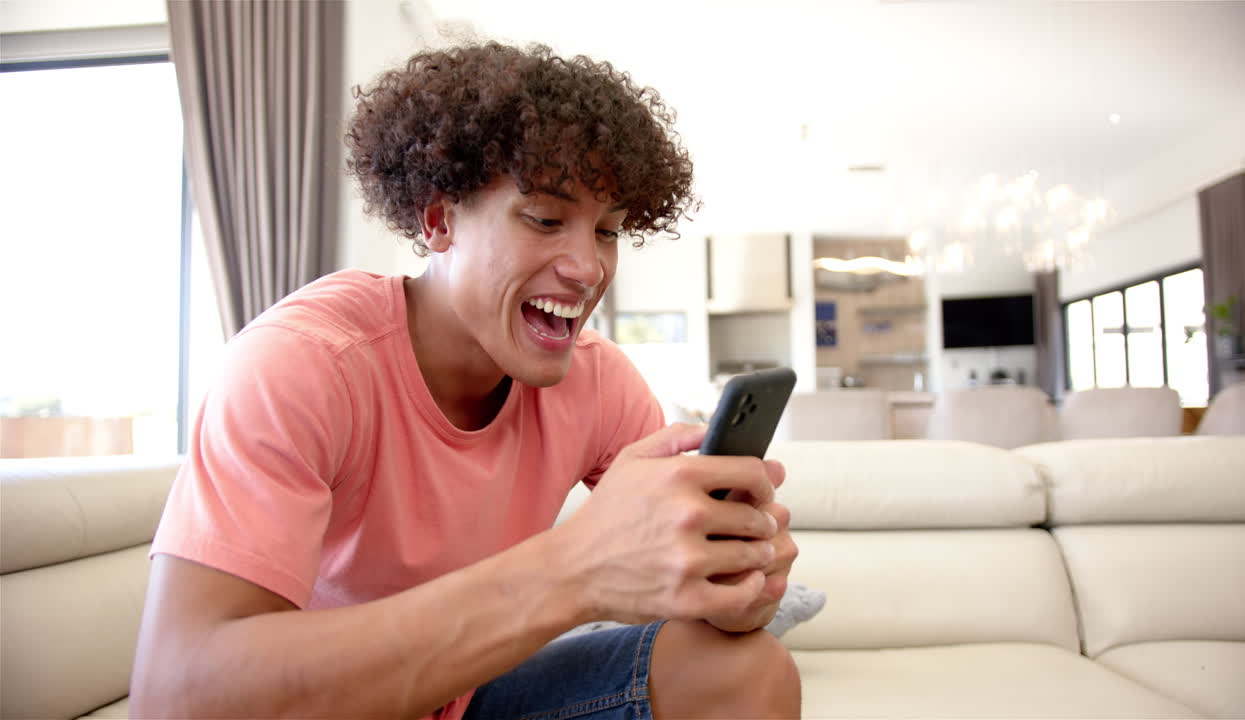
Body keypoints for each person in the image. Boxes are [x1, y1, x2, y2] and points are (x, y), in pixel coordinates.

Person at [130, 41, 800, 720]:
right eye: (545, 219)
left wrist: (740, 581)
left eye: (606, 231)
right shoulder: (301, 365)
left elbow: (694, 580)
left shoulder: (598, 384)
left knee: (744, 673)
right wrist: (572, 570)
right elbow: (177, 698)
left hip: (475, 697)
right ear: (439, 218)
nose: (588, 267)